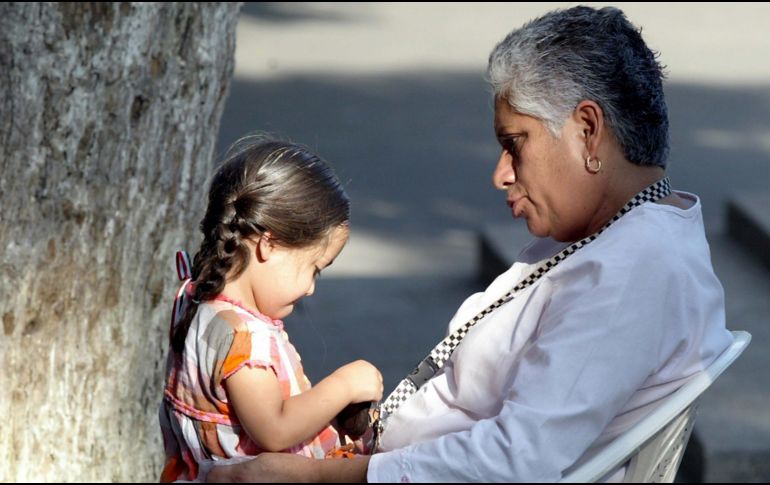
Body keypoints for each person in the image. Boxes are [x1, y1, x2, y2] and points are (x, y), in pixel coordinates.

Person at [207, 6, 733, 482]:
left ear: (588, 132)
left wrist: (317, 478)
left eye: (515, 144)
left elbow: (517, 458)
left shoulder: (635, 269)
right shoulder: (623, 237)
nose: (501, 175)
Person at [158, 137, 384, 482]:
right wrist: (345, 384)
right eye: (314, 268)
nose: (311, 287)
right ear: (269, 244)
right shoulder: (245, 338)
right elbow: (274, 429)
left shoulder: (195, 302)